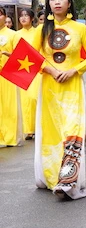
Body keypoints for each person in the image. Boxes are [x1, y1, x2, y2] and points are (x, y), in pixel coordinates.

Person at [33, 0, 86, 199]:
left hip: (72, 88)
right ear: (48, 4)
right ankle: (52, 177)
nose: (57, 2)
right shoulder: (41, 30)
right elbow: (33, 56)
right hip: (49, 87)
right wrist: (51, 70)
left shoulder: (80, 29)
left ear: (69, 3)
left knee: (72, 130)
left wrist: (74, 70)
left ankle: (68, 180)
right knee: (52, 132)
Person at [16, 8, 39, 140]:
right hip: (22, 70)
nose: (23, 18)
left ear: (31, 18)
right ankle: (27, 129)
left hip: (36, 70)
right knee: (24, 100)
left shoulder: (37, 33)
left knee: (34, 98)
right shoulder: (16, 34)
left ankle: (37, 127)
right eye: (21, 16)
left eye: (26, 15)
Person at [0, 7, 21, 148]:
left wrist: (7, 54)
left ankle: (10, 137)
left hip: (8, 75)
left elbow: (21, 57)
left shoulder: (12, 35)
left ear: (5, 17)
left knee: (9, 106)